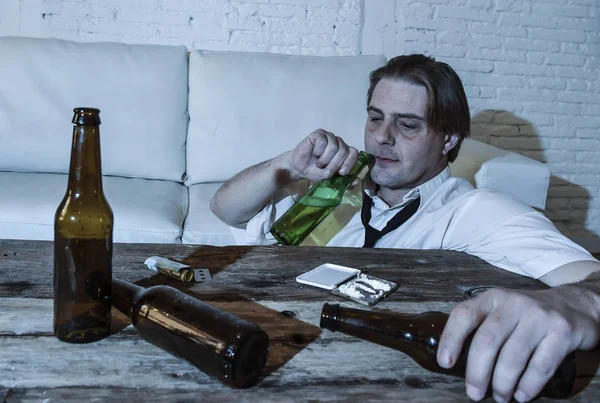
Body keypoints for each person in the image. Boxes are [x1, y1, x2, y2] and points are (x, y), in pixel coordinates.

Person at [210, 54, 600, 403]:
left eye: (408, 125)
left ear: (448, 138)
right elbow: (225, 209)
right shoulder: (331, 186)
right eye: (375, 117)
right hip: (277, 355)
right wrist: (289, 165)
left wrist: (578, 302)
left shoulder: (475, 211)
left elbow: (592, 278)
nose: (382, 136)